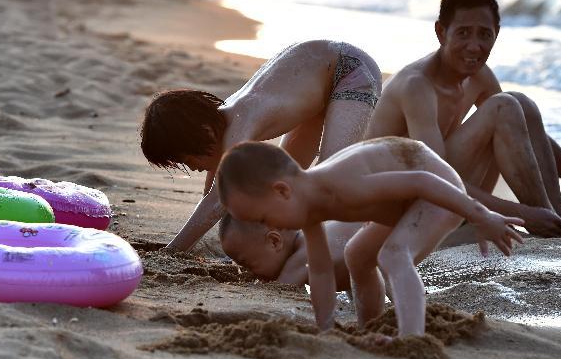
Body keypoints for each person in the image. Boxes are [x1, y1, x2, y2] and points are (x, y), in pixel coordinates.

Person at [365, 0, 561, 241]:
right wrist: (522, 213)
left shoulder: (478, 75)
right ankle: (552, 227)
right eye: (463, 33)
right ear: (441, 32)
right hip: (395, 210)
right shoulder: (417, 85)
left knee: (520, 104)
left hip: (446, 196)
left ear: (497, 33)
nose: (474, 46)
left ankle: (558, 222)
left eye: (484, 34)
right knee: (504, 106)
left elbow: (524, 131)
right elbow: (433, 178)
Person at [217, 137, 524, 336]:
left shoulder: (341, 183)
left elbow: (421, 180)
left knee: (392, 254)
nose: (269, 226)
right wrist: (325, 328)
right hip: (402, 205)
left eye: (263, 217)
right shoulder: (308, 210)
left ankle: (411, 339)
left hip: (437, 191)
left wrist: (481, 215)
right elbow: (321, 271)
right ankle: (371, 327)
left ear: (282, 191)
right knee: (357, 255)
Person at [141, 40, 382, 253]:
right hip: (317, 77)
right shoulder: (222, 125)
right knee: (288, 182)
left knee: (330, 175)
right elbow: (214, 192)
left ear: (204, 134)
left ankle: (364, 241)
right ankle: (286, 248)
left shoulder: (242, 119)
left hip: (350, 72)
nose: (193, 169)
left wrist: (173, 250)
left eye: (188, 160)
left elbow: (217, 200)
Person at [219, 215, 360, 290]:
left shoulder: (304, 256)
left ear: (274, 242)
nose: (250, 273)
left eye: (249, 264)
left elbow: (281, 290)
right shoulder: (309, 237)